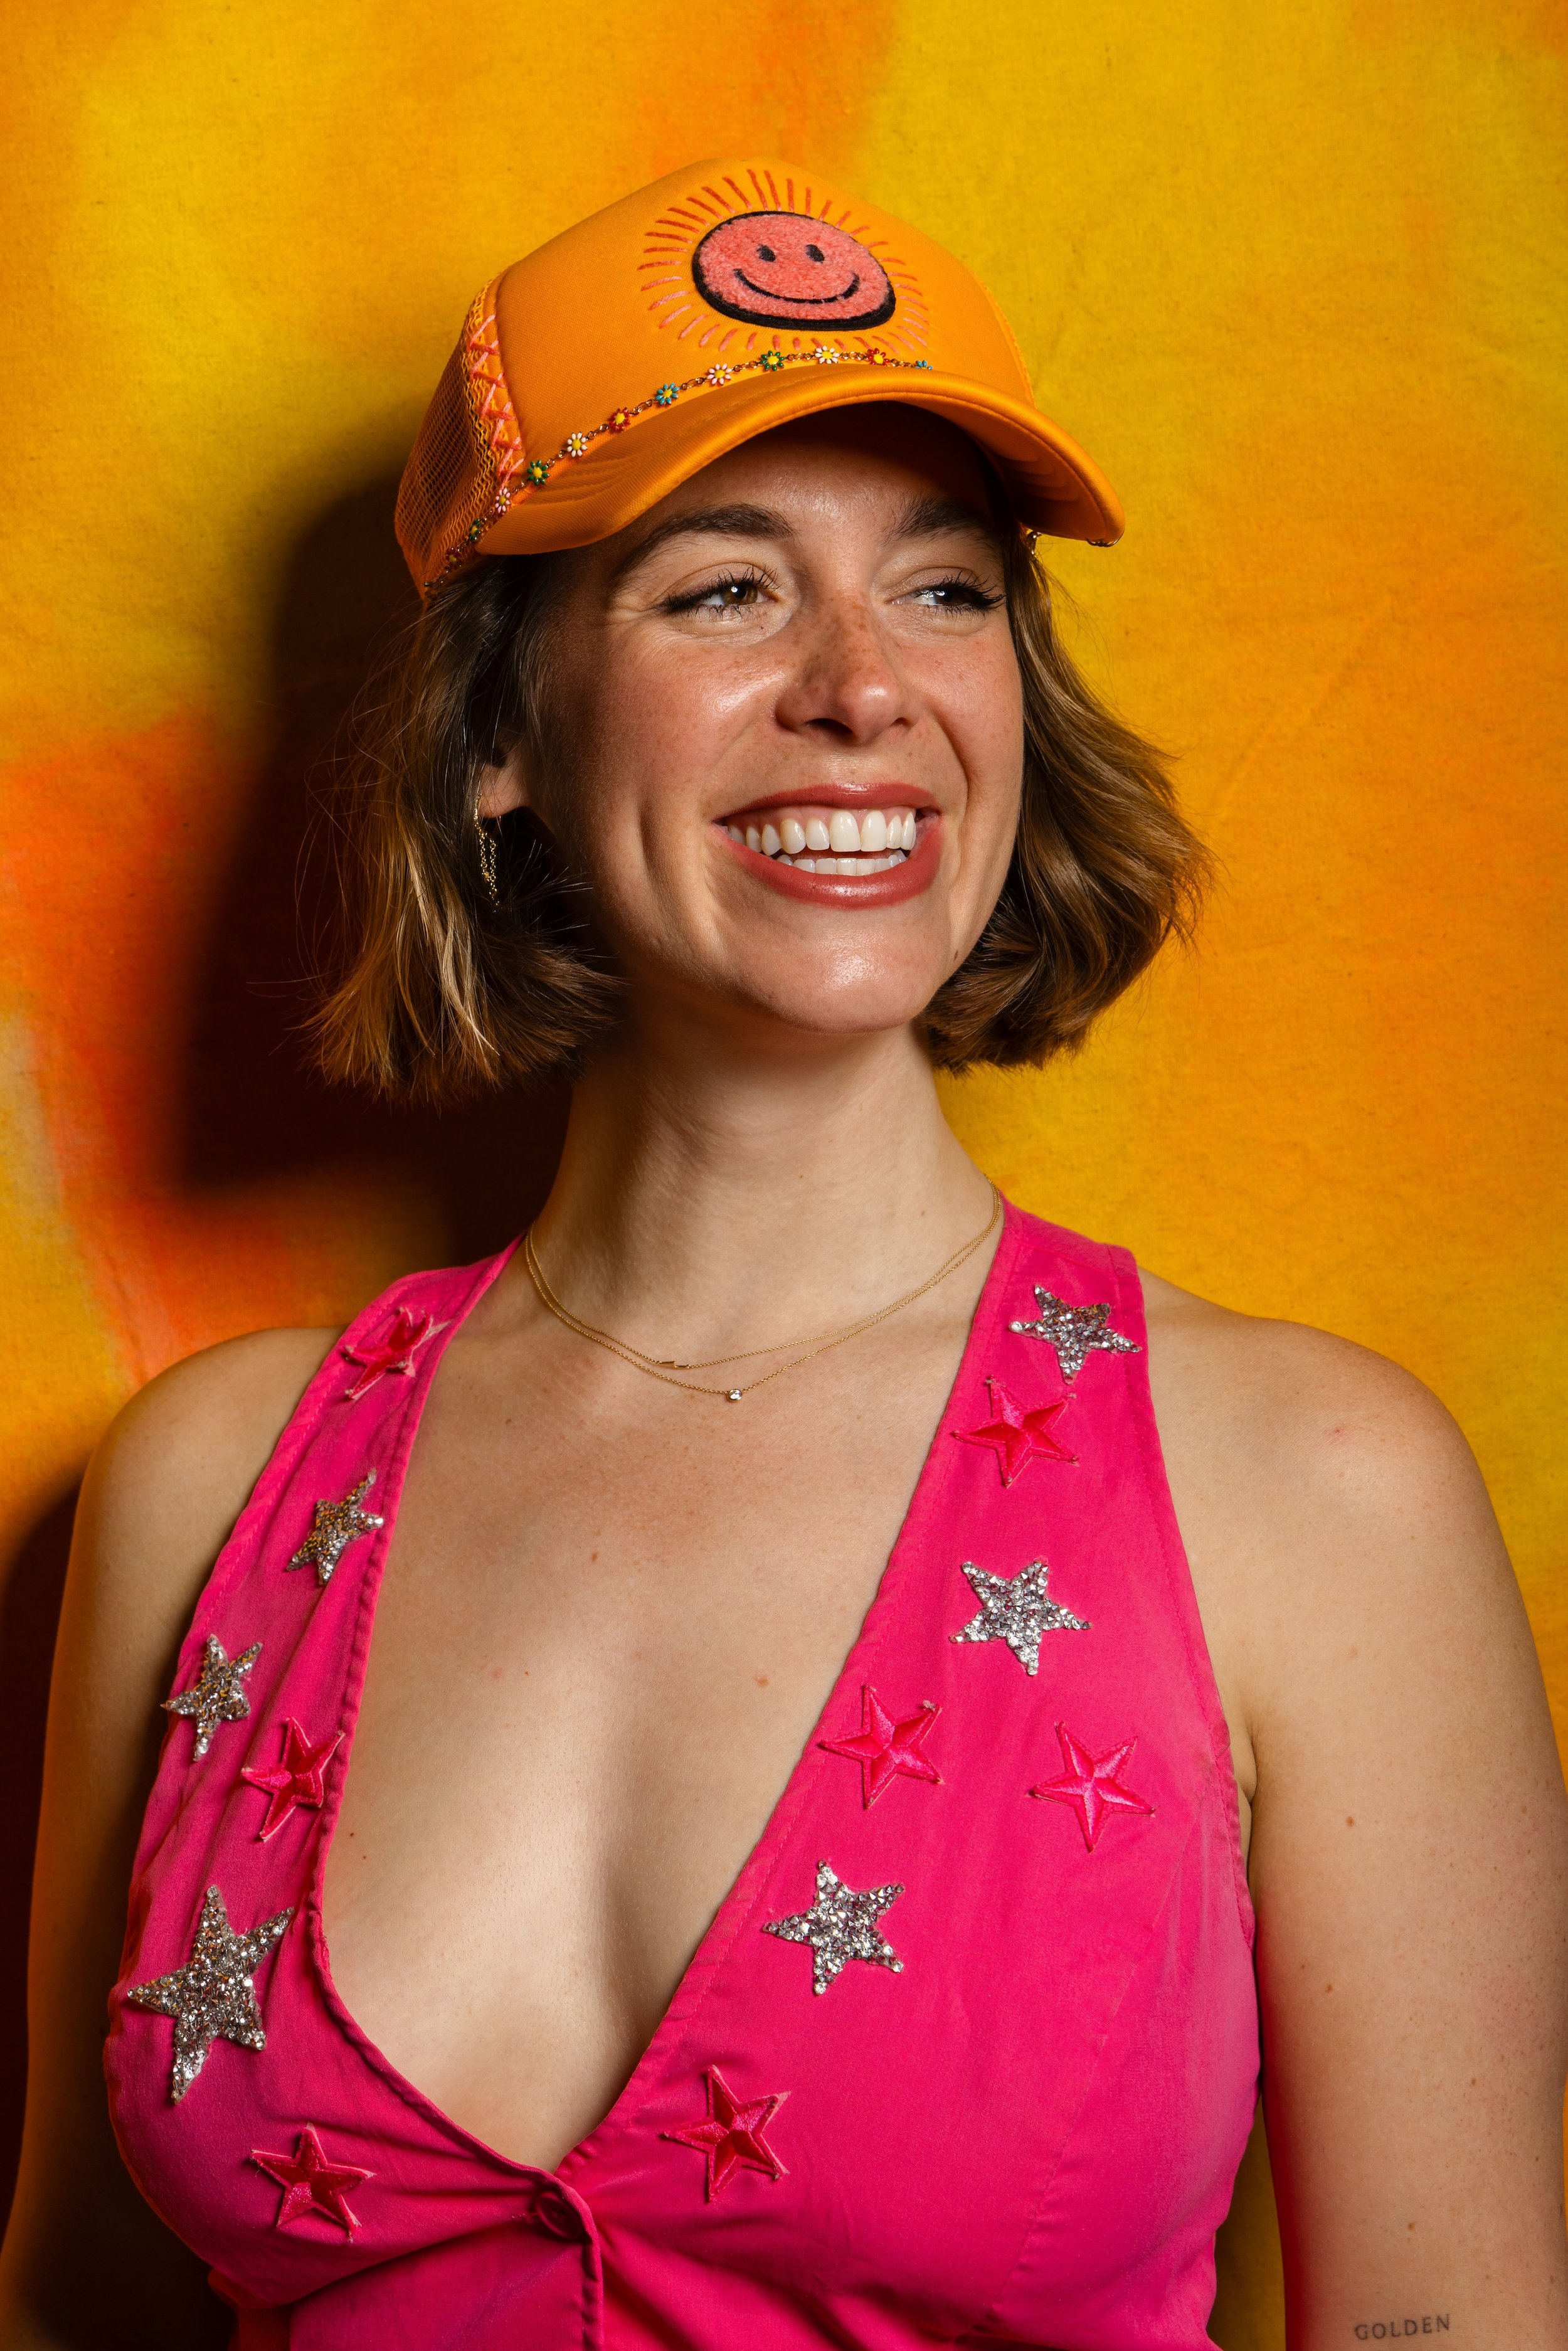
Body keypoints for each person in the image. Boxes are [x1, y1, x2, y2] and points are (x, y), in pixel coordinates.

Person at [2, 156, 1564, 2351]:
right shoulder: (206, 1489)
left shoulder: (1308, 1487)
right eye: (721, 593)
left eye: (943, 592)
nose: (862, 688)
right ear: (498, 738)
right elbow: (78, 2302)